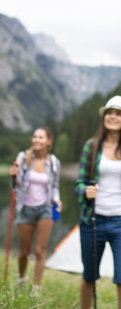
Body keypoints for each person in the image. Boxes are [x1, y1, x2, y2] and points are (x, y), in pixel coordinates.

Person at [75, 95, 121, 309]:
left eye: (118, 114)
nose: (113, 117)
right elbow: (79, 183)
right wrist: (85, 190)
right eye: (109, 113)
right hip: (92, 221)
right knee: (89, 277)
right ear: (104, 117)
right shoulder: (91, 147)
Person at [9, 126, 61, 297]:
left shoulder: (54, 163)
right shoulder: (24, 157)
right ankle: (21, 278)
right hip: (24, 208)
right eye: (34, 137)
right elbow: (14, 186)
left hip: (45, 209)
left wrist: (57, 200)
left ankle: (36, 289)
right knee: (24, 251)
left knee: (40, 251)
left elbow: (54, 187)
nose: (36, 140)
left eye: (40, 137)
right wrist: (13, 175)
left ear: (48, 141)